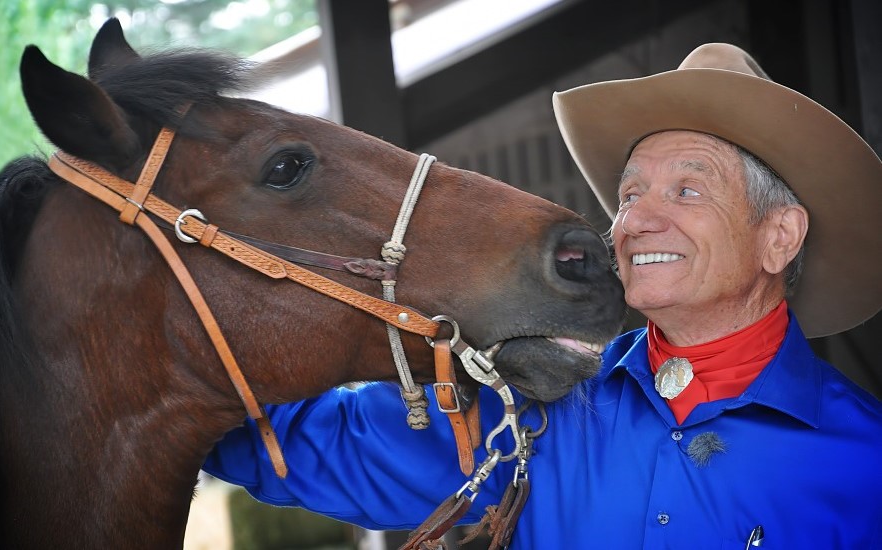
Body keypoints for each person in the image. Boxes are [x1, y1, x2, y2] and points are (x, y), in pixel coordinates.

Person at [204, 43, 882, 548]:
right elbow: (290, 447)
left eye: (688, 189)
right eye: (630, 194)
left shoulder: (866, 464)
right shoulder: (534, 404)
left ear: (779, 237)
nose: (636, 221)